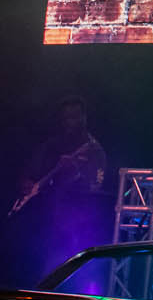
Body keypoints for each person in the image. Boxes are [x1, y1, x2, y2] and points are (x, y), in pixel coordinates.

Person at [10, 96, 110, 283]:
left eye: (74, 117)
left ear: (84, 118)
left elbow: (96, 185)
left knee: (67, 271)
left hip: (78, 222)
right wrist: (27, 184)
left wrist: (76, 170)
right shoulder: (51, 145)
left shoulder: (94, 150)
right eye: (66, 118)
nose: (69, 122)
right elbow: (29, 174)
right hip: (46, 218)